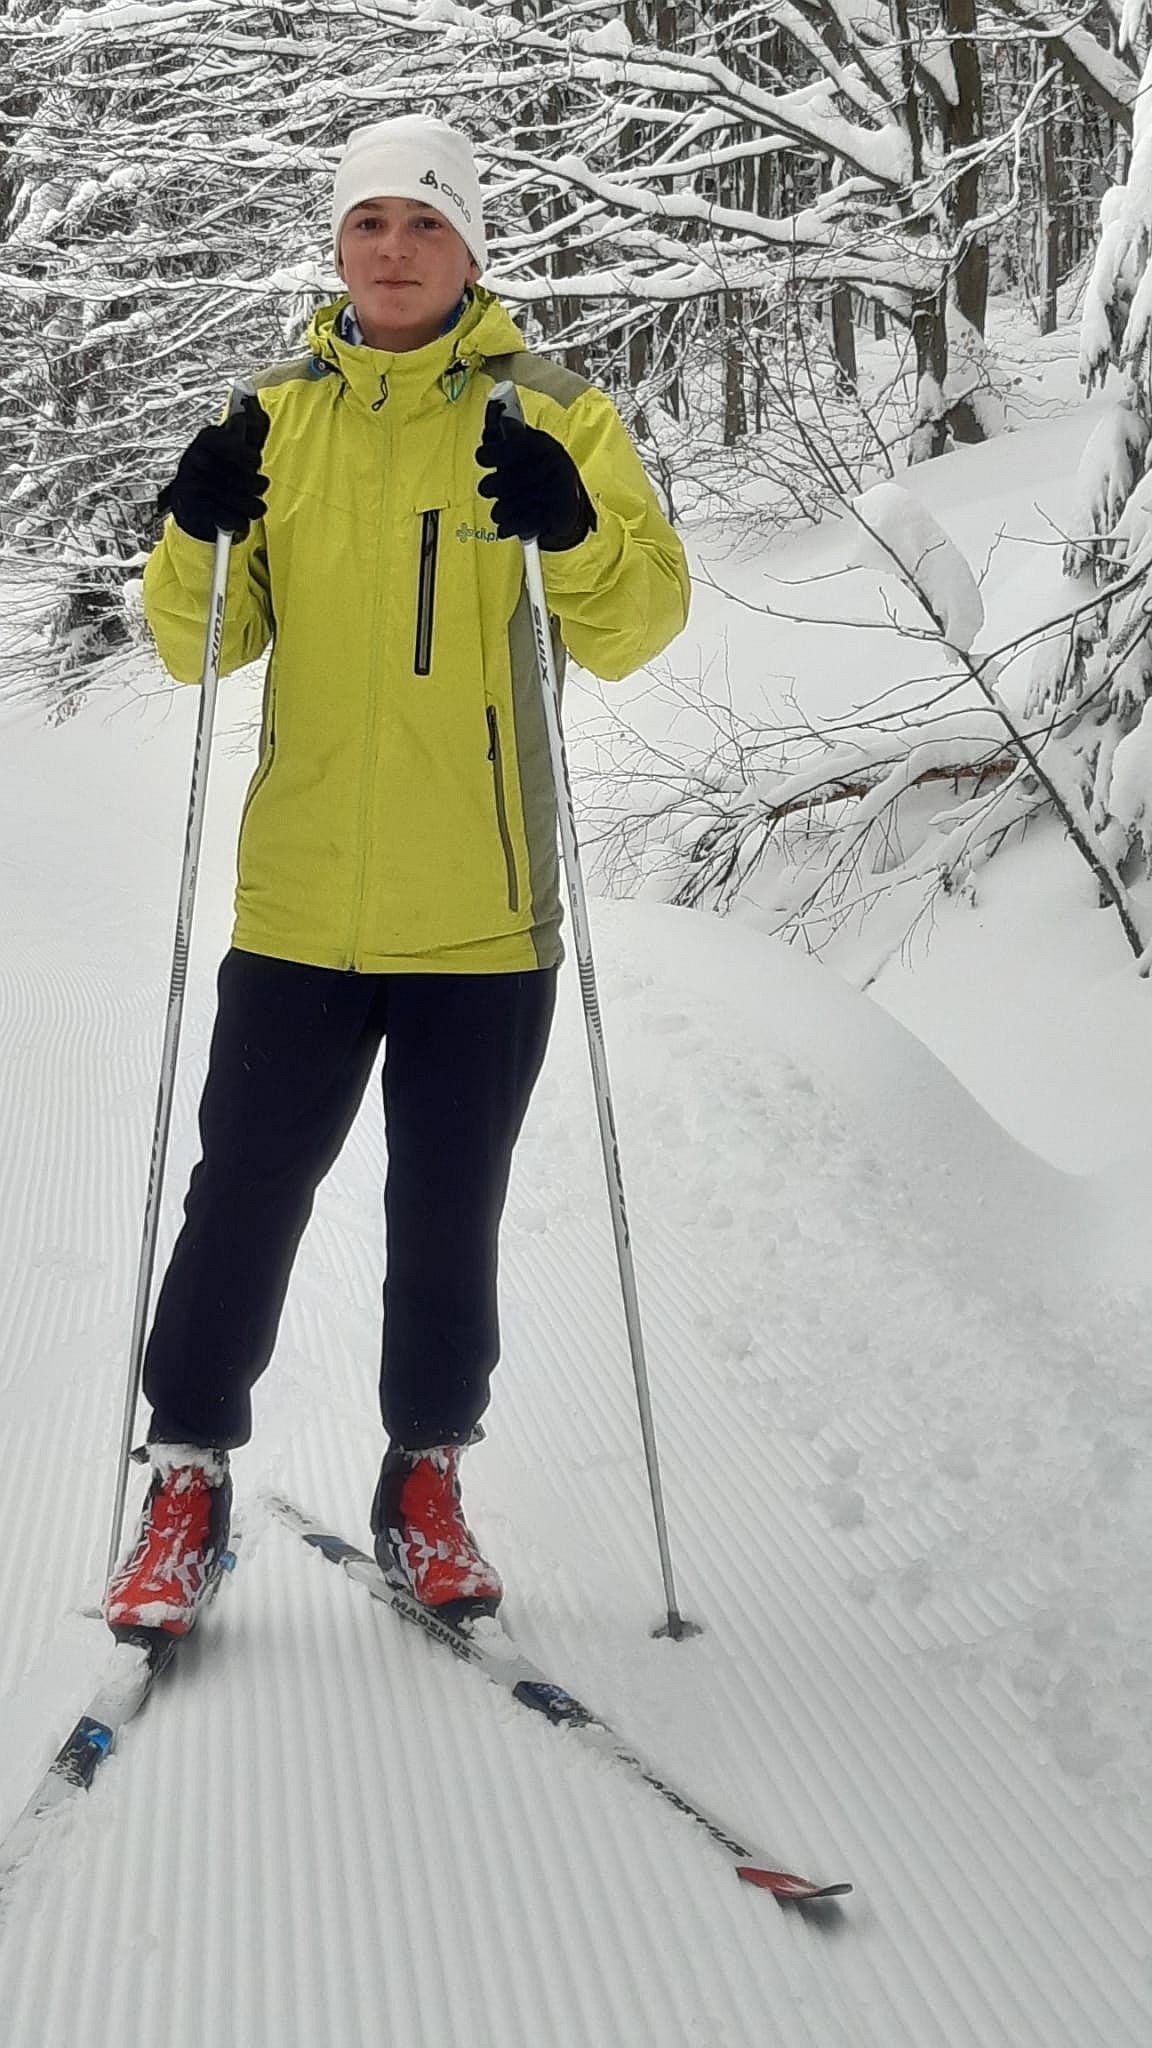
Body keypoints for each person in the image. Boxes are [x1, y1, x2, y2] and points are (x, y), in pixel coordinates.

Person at [105, 115, 689, 1638]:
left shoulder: (552, 409)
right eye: (369, 223)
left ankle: (424, 1482)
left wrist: (572, 529)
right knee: (242, 1196)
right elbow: (195, 644)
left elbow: (635, 629)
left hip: (484, 915)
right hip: (300, 907)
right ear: (339, 246)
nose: (395, 249)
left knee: (448, 1213)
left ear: (470, 248)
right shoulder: (274, 415)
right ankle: (185, 1481)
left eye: (425, 223)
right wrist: (194, 523)